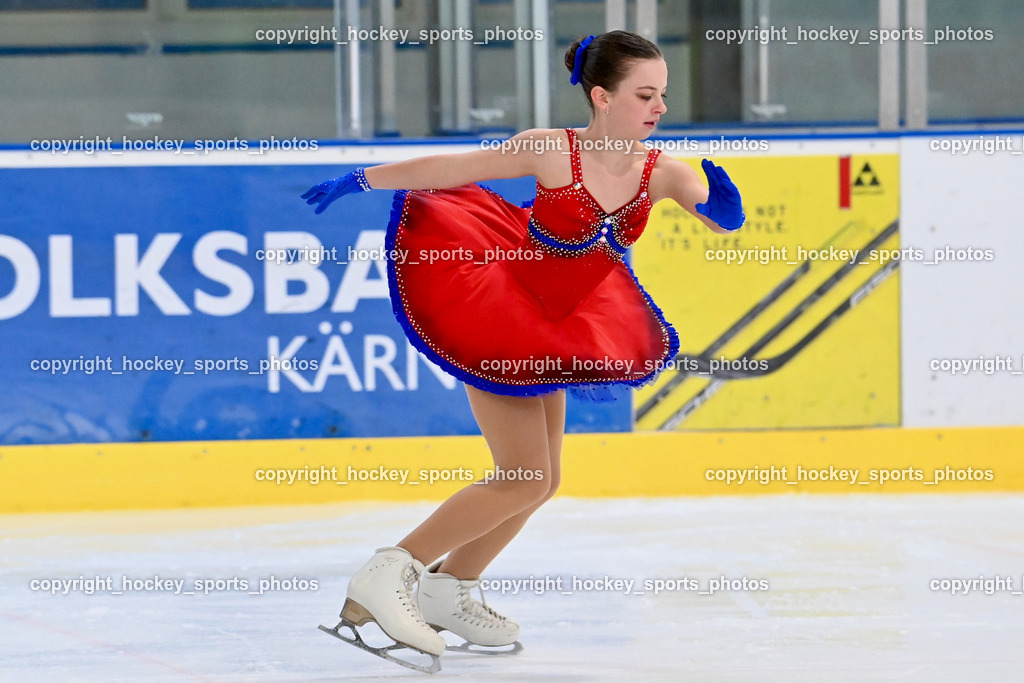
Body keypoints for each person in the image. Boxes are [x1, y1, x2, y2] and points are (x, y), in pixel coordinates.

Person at [303, 30, 744, 670]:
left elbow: (716, 215)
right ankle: (388, 572)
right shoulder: (551, 152)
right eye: (645, 94)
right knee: (523, 477)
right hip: (500, 313)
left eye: (663, 96)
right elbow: (453, 170)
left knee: (543, 479)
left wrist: (726, 210)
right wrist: (363, 179)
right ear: (602, 96)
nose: (658, 108)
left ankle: (450, 589)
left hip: (564, 326)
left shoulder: (663, 171)